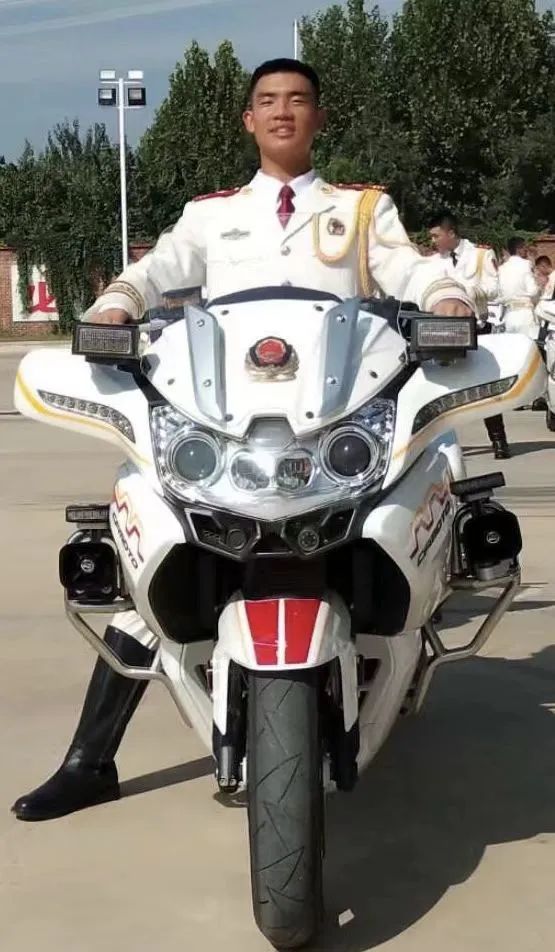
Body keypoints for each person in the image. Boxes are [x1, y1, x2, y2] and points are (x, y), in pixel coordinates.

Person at [13, 58, 476, 823]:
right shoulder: (210, 215)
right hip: (223, 419)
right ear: (249, 120)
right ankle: (88, 763)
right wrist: (116, 305)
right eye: (267, 101)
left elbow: (411, 270)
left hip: (331, 416)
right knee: (147, 569)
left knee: (405, 514)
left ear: (318, 117)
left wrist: (447, 296)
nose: (282, 111)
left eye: (297, 100)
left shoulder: (360, 210)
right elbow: (156, 269)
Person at [427, 210, 510, 460]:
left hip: (477, 326)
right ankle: (443, 445)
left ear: (451, 233)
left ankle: (498, 440)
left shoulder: (480, 255)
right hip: (445, 329)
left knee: (485, 384)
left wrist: (464, 292)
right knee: (441, 387)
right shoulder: (433, 262)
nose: (433, 241)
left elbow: (495, 289)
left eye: (436, 236)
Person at [498, 237, 540, 337]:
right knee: (528, 344)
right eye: (524, 247)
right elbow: (533, 291)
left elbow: (499, 293)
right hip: (524, 313)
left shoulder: (501, 268)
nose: (526, 250)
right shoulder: (526, 264)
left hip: (509, 315)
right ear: (519, 249)